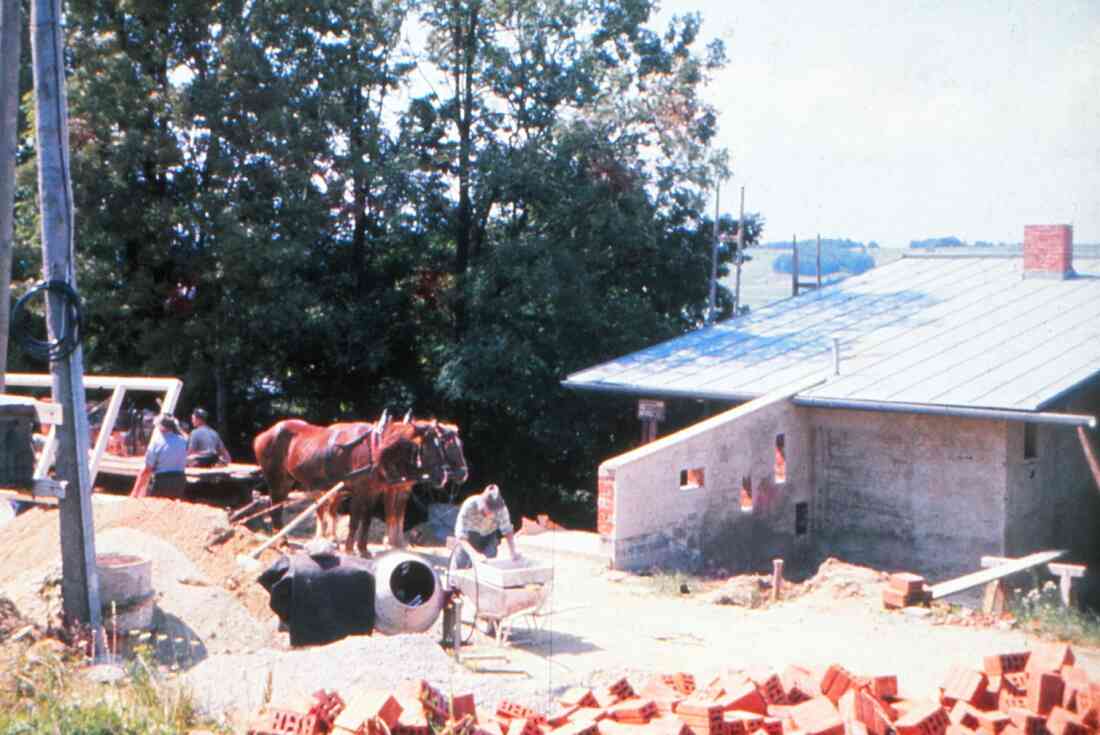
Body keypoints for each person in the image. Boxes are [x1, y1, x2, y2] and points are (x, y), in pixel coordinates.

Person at [453, 484, 520, 565]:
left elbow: (507, 530)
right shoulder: (469, 505)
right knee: (462, 565)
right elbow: (460, 536)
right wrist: (474, 554)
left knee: (489, 566)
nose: (492, 513)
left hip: (489, 537)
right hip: (469, 538)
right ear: (483, 503)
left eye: (494, 510)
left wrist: (513, 551)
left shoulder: (501, 509)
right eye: (490, 509)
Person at [131, 414, 188, 499]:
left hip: (162, 481)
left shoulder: (156, 442)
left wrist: (135, 492)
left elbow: (147, 469)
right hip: (180, 480)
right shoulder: (183, 440)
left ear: (161, 427)